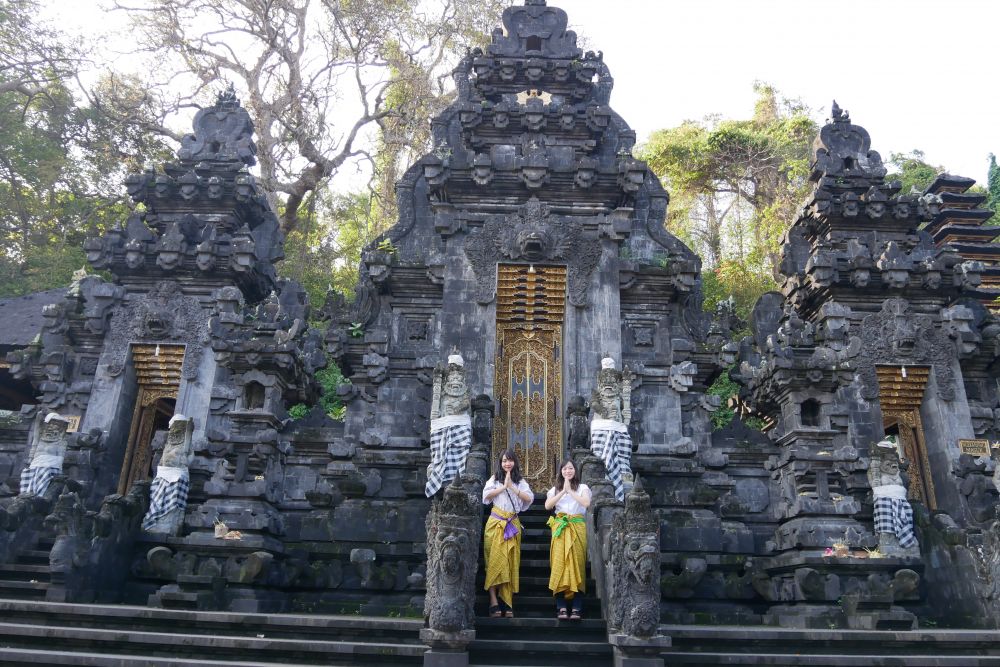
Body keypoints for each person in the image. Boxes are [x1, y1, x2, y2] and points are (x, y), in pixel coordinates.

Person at [482, 449, 533, 618]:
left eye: (510, 460)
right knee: (494, 562)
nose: (507, 464)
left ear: (515, 463)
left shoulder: (520, 482)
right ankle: (493, 600)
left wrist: (512, 487)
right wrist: (503, 487)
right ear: (500, 463)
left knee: (510, 562)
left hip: (512, 524)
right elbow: (486, 497)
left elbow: (529, 498)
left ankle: (507, 601)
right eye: (504, 461)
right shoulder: (494, 479)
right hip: (496, 523)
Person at [545, 458, 591, 620]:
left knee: (577, 565)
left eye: (570, 468)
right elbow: (548, 506)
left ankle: (577, 607)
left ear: (575, 470)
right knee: (560, 565)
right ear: (560, 472)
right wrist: (563, 491)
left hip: (577, 527)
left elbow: (586, 503)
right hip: (560, 529)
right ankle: (561, 606)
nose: (568, 471)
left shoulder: (583, 487)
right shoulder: (554, 490)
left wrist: (570, 491)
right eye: (564, 469)